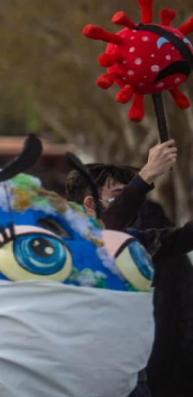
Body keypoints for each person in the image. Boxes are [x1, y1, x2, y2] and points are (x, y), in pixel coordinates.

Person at [66, 139, 193, 397]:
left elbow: (184, 238)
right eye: (120, 197)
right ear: (90, 203)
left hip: (131, 375)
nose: (135, 205)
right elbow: (105, 235)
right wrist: (145, 176)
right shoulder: (66, 245)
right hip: (81, 375)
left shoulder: (135, 242)